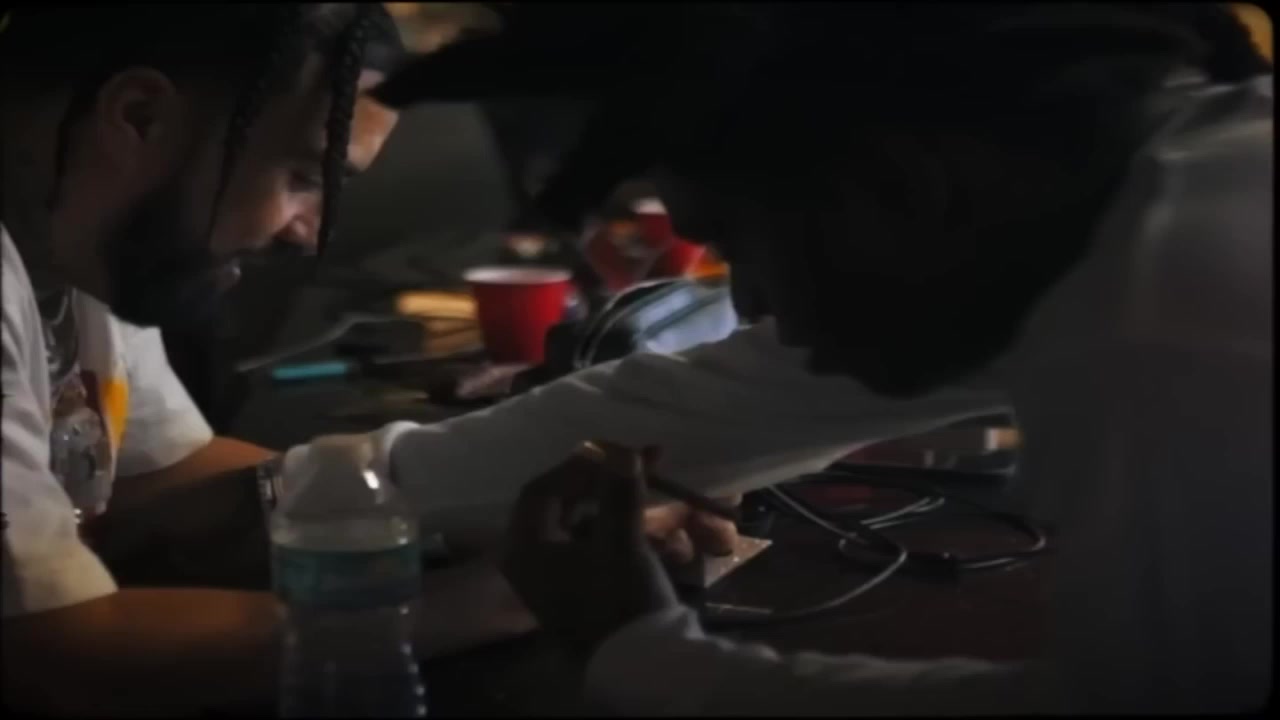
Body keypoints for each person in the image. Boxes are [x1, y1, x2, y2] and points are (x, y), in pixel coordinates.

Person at [366, 2, 1272, 714]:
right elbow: (722, 397)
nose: (754, 307)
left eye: (742, 243)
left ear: (901, 187)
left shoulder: (1170, 315)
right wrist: (351, 486)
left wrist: (639, 651)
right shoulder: (1106, 200)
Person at [0, 4, 416, 714]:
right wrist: (490, 598)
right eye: (302, 175)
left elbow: (164, 474)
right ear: (139, 116)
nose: (308, 232)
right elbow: (56, 647)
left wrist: (461, 494)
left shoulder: (85, 235)